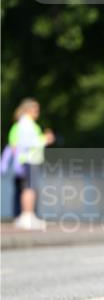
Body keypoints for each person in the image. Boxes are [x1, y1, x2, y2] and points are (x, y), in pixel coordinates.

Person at [11, 98, 55, 230]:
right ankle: (27, 216)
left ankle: (28, 216)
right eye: (35, 109)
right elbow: (26, 143)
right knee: (29, 188)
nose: (37, 112)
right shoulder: (26, 124)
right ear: (27, 109)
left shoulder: (26, 123)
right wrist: (45, 139)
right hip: (29, 159)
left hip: (29, 160)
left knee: (28, 188)